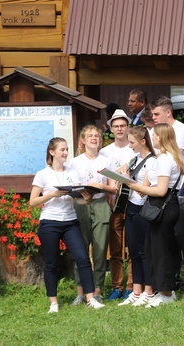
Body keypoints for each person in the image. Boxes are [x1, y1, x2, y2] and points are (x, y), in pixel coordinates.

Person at [30, 137, 105, 313]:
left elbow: (79, 200)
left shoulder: (72, 172)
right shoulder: (42, 174)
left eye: (66, 150)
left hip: (70, 222)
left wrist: (86, 198)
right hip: (50, 222)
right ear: (52, 152)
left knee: (83, 258)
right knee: (51, 262)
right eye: (62, 150)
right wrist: (53, 194)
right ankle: (54, 303)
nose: (65, 153)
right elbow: (33, 201)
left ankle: (90, 298)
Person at [126, 123, 184, 307]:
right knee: (153, 249)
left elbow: (160, 191)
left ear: (161, 137)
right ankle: (164, 290)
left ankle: (166, 294)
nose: (153, 139)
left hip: (164, 206)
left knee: (161, 252)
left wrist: (134, 186)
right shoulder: (166, 157)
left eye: (155, 135)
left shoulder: (166, 159)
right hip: (162, 205)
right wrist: (144, 188)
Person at [150, 96, 184, 290]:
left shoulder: (181, 129)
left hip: (182, 187)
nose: (153, 117)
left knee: (181, 233)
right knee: (170, 236)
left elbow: (172, 152)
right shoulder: (157, 132)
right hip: (169, 190)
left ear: (168, 112)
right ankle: (174, 277)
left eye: (156, 114)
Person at [67, 125, 116, 304]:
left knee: (100, 250)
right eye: (90, 136)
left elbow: (113, 187)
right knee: (80, 249)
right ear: (83, 140)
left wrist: (102, 187)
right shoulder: (75, 162)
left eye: (97, 135)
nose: (94, 138)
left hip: (101, 203)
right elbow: (71, 186)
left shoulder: (106, 161)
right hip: (80, 204)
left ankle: (97, 290)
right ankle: (81, 292)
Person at [118, 126, 158, 306]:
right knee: (133, 250)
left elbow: (145, 190)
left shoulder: (152, 161)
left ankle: (149, 289)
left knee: (144, 251)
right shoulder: (134, 159)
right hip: (131, 207)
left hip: (144, 209)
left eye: (132, 142)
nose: (130, 146)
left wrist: (127, 179)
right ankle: (136, 290)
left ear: (143, 142)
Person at [99, 109, 136, 300]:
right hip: (114, 205)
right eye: (116, 126)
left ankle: (131, 285)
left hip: (132, 203)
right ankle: (116, 286)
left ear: (128, 127)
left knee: (132, 247)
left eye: (123, 125)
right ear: (110, 128)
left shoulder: (134, 148)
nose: (120, 129)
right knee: (115, 249)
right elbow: (103, 176)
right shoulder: (105, 152)